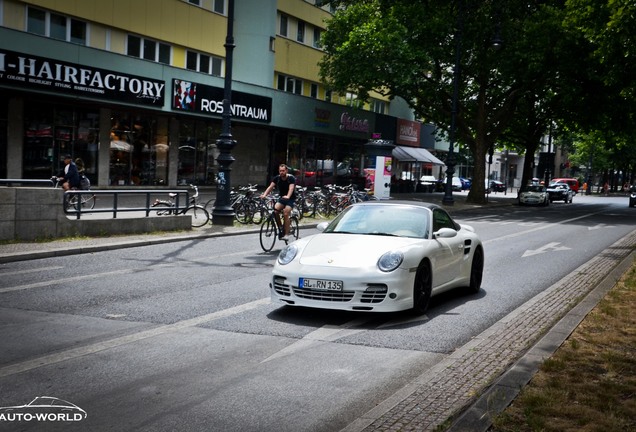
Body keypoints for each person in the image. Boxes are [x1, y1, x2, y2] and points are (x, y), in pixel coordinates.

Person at [261, 164, 296, 241]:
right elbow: (270, 187)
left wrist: (288, 196)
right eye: (280, 171)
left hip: (290, 199)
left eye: (283, 171)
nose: (281, 172)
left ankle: (286, 234)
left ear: (286, 171)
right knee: (275, 211)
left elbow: (291, 188)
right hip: (282, 199)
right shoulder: (277, 178)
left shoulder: (291, 178)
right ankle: (280, 227)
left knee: (286, 213)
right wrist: (264, 195)